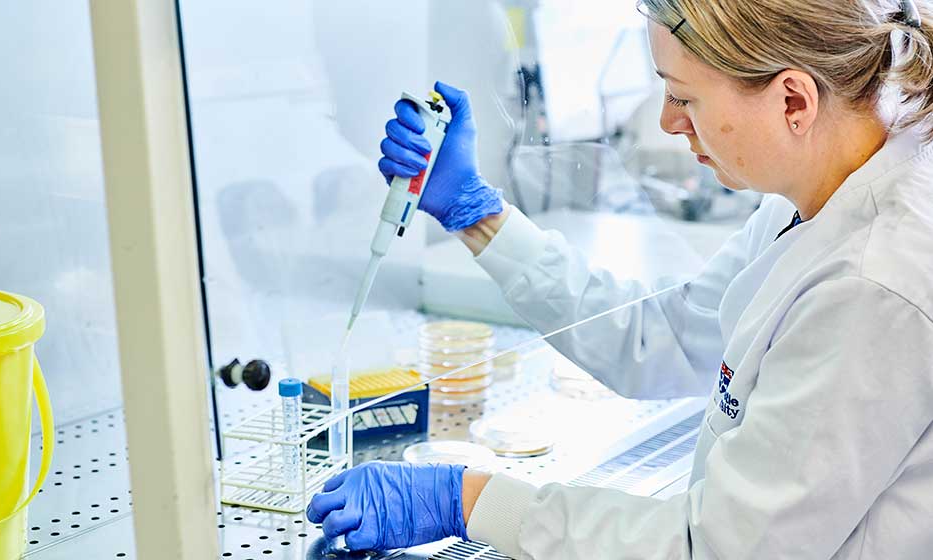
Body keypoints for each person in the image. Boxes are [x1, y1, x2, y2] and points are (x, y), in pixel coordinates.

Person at [307, 0, 933, 557]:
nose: (667, 121)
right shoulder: (820, 192)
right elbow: (660, 337)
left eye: (684, 96)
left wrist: (469, 502)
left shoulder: (873, 282)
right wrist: (477, 212)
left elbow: (717, 548)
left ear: (794, 101)